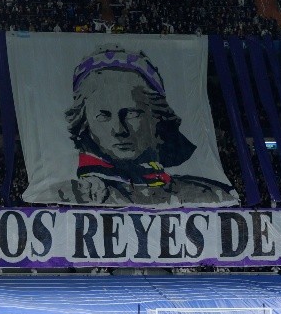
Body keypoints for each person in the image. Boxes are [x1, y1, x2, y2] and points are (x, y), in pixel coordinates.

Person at [55, 45, 238, 206]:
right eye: (103, 116)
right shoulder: (62, 196)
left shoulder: (210, 194)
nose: (119, 130)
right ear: (84, 122)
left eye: (132, 113)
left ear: (156, 118)